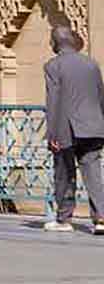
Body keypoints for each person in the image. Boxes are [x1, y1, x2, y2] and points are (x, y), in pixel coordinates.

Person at [43, 25, 104, 233]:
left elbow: (54, 101)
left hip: (66, 128)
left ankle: (63, 219)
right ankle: (101, 218)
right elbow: (100, 96)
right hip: (94, 126)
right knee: (93, 173)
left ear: (55, 43)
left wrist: (52, 133)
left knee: (64, 174)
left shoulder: (53, 66)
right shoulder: (92, 65)